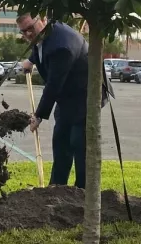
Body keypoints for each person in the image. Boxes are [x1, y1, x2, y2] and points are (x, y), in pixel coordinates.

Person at [17, 13, 109, 189]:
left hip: (87, 96)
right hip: (68, 97)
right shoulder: (46, 33)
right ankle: (57, 189)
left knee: (79, 144)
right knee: (61, 141)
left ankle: (83, 191)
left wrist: (38, 115)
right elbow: (41, 47)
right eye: (23, 31)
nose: (28, 34)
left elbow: (53, 85)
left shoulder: (62, 46)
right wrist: (31, 60)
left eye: (30, 28)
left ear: (43, 19)